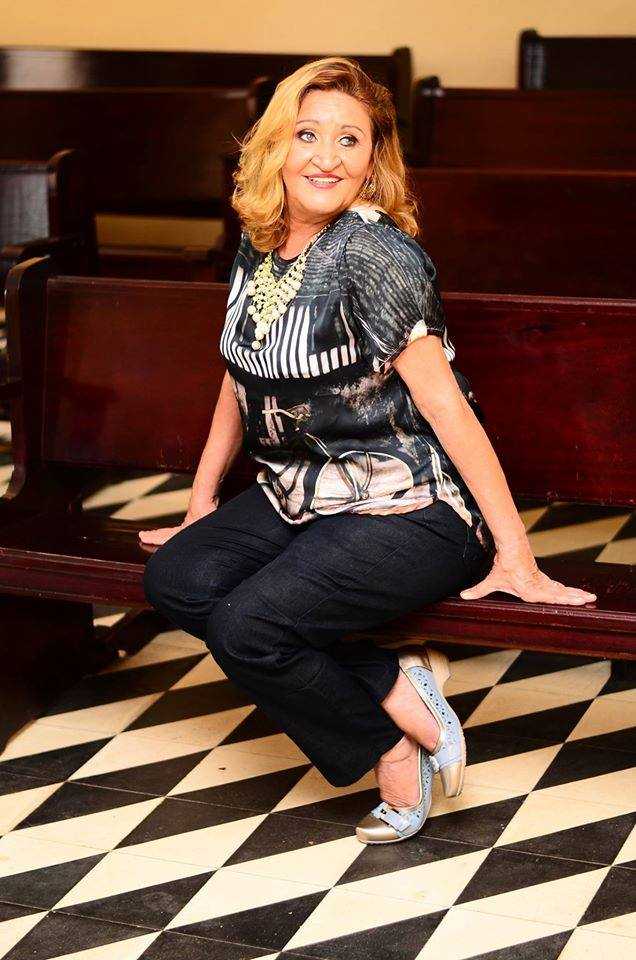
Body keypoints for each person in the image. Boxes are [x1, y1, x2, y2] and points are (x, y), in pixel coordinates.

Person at [140, 56, 596, 844]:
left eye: (349, 140)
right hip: (305, 492)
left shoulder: (375, 254)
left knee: (248, 625)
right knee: (178, 578)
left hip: (414, 506)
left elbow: (450, 411)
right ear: (275, 146)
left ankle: (390, 748)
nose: (327, 157)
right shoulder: (261, 239)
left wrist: (515, 554)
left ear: (373, 158)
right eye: (307, 135)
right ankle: (392, 680)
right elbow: (238, 374)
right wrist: (201, 501)